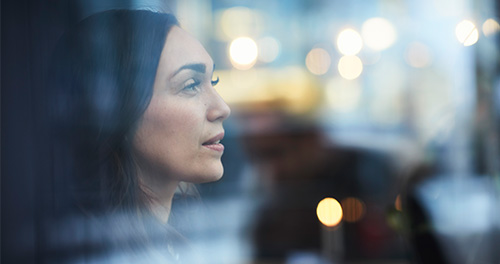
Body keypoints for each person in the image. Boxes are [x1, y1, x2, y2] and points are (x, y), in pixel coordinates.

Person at [43, 9, 230, 263]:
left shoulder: (194, 236)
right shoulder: (90, 251)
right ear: (117, 110)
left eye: (213, 81)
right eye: (191, 85)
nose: (222, 108)